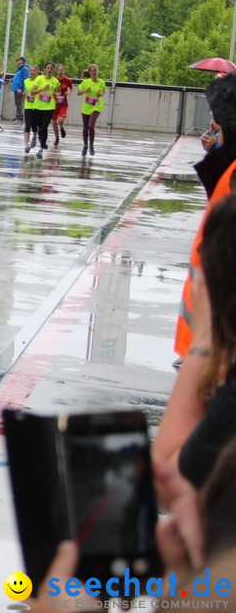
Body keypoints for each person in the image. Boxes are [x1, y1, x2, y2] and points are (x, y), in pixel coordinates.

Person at [155, 74, 236, 481]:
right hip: (208, 346)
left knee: (192, 476)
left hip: (215, 348)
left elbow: (172, 470)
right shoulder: (227, 168)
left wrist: (204, 349)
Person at [78, 63, 105, 156]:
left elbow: (103, 91)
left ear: (97, 72)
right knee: (85, 127)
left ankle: (91, 145)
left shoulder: (101, 82)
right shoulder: (85, 82)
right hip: (87, 106)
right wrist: (86, 91)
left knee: (90, 126)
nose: (94, 72)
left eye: (95, 71)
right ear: (89, 72)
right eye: (92, 71)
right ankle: (85, 146)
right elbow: (78, 92)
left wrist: (100, 94)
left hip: (97, 106)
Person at [32, 61, 58, 157]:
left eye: (51, 68)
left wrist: (57, 94)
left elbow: (58, 91)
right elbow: (32, 92)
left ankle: (41, 149)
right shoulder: (39, 79)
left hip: (49, 107)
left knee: (44, 127)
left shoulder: (55, 81)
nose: (49, 70)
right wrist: (42, 89)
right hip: (38, 106)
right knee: (40, 128)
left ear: (53, 70)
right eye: (48, 68)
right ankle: (43, 141)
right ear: (45, 69)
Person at [52, 63, 73, 141]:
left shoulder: (67, 80)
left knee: (60, 120)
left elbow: (71, 88)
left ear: (64, 71)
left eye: (62, 70)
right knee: (54, 122)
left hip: (63, 103)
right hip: (54, 103)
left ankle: (61, 127)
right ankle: (56, 138)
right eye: (59, 70)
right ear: (57, 71)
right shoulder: (54, 79)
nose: (60, 72)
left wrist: (68, 92)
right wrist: (53, 94)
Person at [22, 64, 40, 153]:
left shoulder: (40, 81)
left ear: (37, 72)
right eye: (31, 70)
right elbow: (27, 90)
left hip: (37, 105)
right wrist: (24, 92)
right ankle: (26, 144)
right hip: (28, 105)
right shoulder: (26, 81)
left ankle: (35, 136)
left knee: (35, 125)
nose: (32, 72)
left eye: (34, 70)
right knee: (27, 124)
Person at [10, 56, 28, 123]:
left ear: (22, 62)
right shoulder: (19, 69)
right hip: (16, 88)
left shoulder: (25, 69)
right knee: (17, 103)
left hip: (19, 89)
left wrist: (20, 88)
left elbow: (24, 79)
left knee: (19, 103)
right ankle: (19, 116)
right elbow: (18, 77)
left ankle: (19, 118)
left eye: (18, 60)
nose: (17, 62)